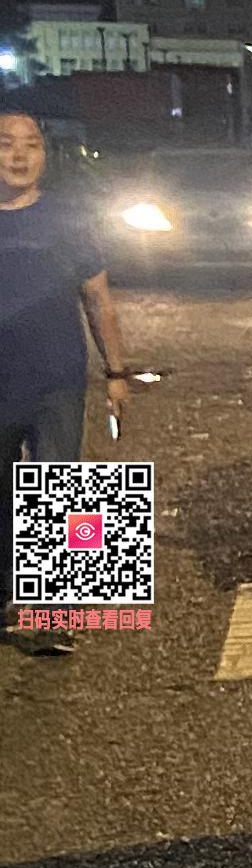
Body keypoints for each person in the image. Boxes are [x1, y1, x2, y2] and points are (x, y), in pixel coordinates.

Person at [1, 100, 132, 657]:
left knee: (58, 491)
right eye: (7, 143)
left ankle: (57, 618)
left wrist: (116, 372)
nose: (19, 155)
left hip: (57, 378)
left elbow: (99, 300)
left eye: (31, 144)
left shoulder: (66, 220)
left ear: (45, 155)